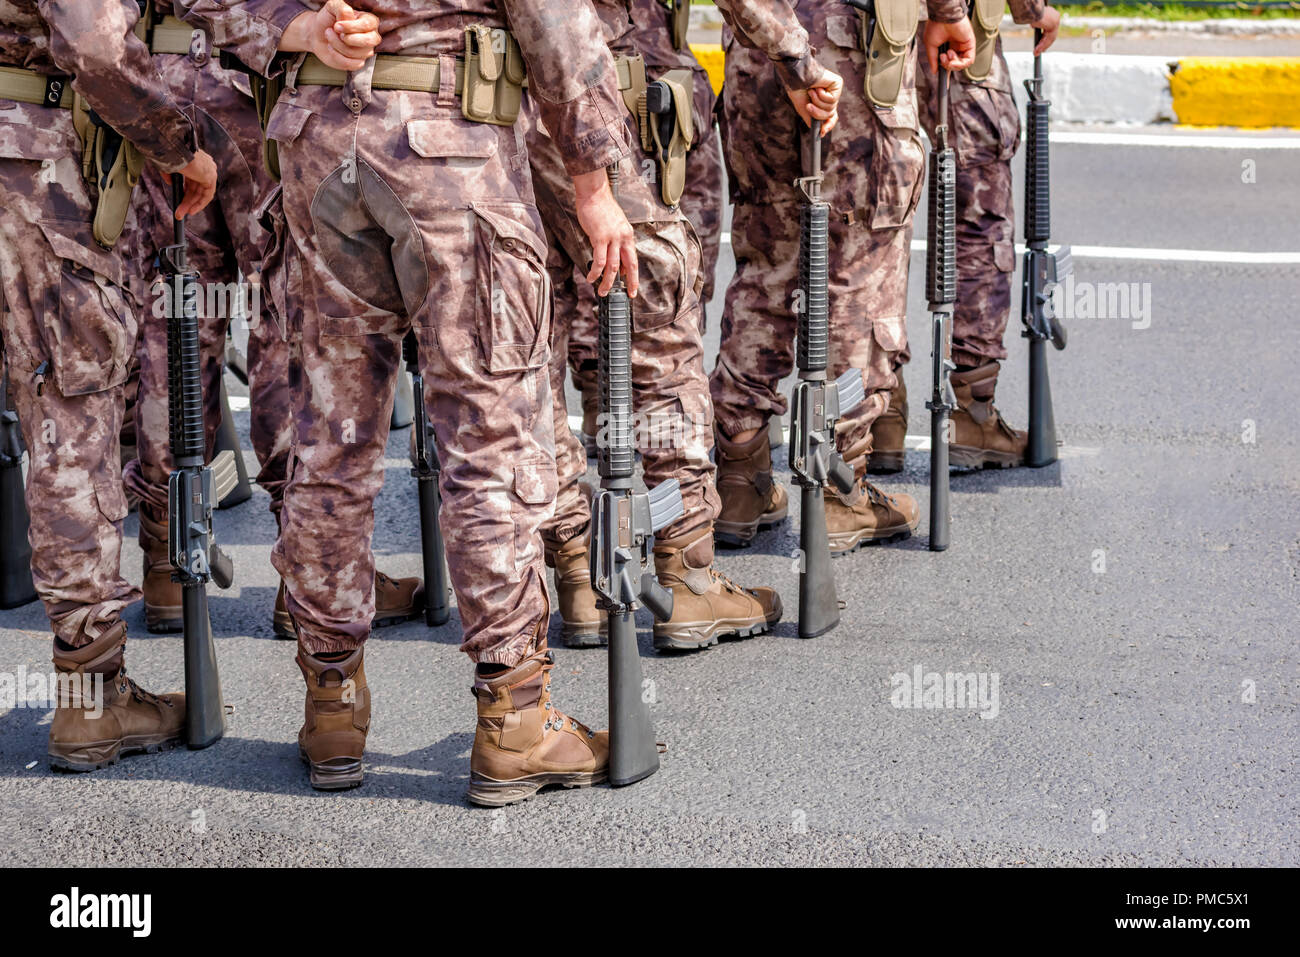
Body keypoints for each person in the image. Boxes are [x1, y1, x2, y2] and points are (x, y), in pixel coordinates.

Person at [251, 0, 651, 804]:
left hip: (319, 146)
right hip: (449, 146)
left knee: (332, 435)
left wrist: (298, 32)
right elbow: (555, 19)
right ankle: (515, 716)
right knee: (487, 434)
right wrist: (593, 178)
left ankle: (331, 705)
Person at [531, 0, 842, 653]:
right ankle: (687, 569)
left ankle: (575, 565)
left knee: (531, 340)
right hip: (606, 97)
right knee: (661, 324)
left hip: (493, 108)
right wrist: (796, 57)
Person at [125, 1, 421, 639]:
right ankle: (307, 570)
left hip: (164, 80)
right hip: (257, 80)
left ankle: (165, 561)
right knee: (282, 320)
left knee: (174, 319)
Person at [0, 0, 217, 770]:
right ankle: (91, 696)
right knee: (68, 417)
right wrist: (177, 143)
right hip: (28, 165)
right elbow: (93, 43)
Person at [708, 0, 975, 555]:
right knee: (859, 268)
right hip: (851, 58)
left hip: (762, 52)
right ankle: (840, 485)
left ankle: (739, 473)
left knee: (767, 261)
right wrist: (948, 10)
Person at [871, 0, 1062, 472]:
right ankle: (973, 414)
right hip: (959, 44)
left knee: (877, 228)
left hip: (873, 43)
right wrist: (1034, 9)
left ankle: (880, 414)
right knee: (979, 231)